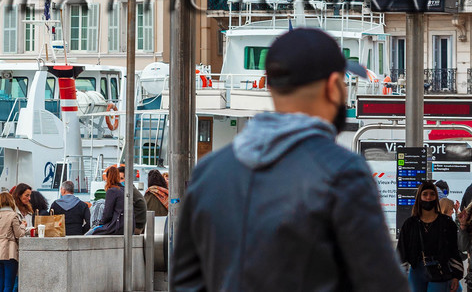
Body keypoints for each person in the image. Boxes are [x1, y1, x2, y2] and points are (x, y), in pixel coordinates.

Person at [171, 27, 408, 292]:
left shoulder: (209, 172)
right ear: (333, 87)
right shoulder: (342, 173)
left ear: (270, 87)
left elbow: (184, 283)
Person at [397, 182, 462, 292]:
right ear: (419, 197)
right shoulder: (410, 223)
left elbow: (453, 250)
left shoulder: (446, 223)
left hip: (440, 269)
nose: (428, 197)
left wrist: (456, 275)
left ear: (436, 197)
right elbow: (402, 250)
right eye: (425, 194)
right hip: (416, 270)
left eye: (432, 194)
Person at [0, 191, 28, 292]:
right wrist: (23, 226)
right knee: (9, 285)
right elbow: (19, 234)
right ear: (11, 201)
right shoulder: (13, 215)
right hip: (9, 252)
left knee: (0, 285)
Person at [91, 167, 124, 236]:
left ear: (107, 178)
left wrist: (101, 224)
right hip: (126, 225)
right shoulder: (123, 190)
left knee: (90, 234)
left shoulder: (112, 191)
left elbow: (107, 213)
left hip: (117, 226)